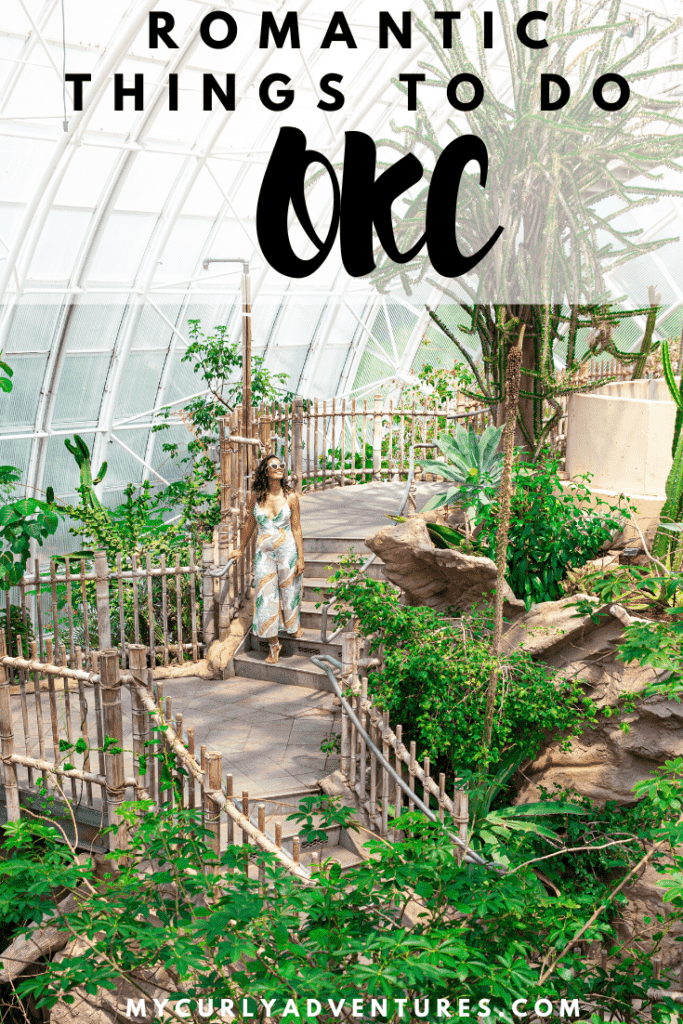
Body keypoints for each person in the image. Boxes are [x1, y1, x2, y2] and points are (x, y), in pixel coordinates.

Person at [228, 454, 305, 664]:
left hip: (287, 550)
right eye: (274, 465)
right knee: (265, 597)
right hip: (264, 554)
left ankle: (292, 624)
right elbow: (249, 524)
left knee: (290, 592)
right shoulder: (257, 497)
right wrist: (240, 549)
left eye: (281, 465)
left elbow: (296, 528)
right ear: (266, 471)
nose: (279, 468)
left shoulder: (291, 498)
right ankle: (274, 645)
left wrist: (301, 558)